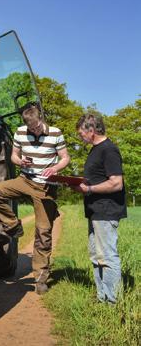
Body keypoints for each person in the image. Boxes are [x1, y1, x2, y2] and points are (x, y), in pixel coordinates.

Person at [0, 104, 70, 294]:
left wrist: (55, 169)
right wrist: (21, 161)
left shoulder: (55, 133)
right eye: (31, 128)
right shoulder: (20, 133)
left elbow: (65, 158)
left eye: (37, 126)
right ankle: (12, 225)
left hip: (45, 187)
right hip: (25, 180)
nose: (35, 130)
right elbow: (13, 156)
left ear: (41, 118)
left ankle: (40, 277)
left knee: (43, 233)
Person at [73, 113, 126, 304]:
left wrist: (88, 189)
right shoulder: (95, 149)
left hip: (106, 211)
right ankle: (101, 297)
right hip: (95, 211)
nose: (80, 137)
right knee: (96, 256)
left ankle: (111, 302)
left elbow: (116, 183)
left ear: (92, 131)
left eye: (81, 134)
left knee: (108, 257)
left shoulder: (109, 150)